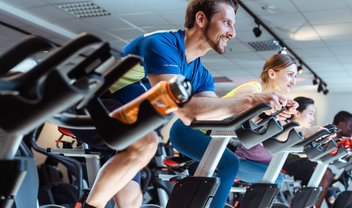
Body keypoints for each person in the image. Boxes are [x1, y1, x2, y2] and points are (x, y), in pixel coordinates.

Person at [82, 1, 298, 207]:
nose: (232, 33)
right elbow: (185, 108)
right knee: (147, 142)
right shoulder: (161, 44)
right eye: (227, 23)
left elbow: (203, 117)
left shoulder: (202, 75)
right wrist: (252, 99)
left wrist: (265, 111)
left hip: (129, 125)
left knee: (131, 200)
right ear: (201, 19)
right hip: (94, 107)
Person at [170, 53, 298, 207]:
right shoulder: (252, 88)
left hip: (209, 136)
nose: (293, 81)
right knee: (230, 163)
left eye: (295, 76)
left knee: (206, 186)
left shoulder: (266, 103)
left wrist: (277, 113)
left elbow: (251, 128)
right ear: (272, 73)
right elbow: (241, 112)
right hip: (188, 129)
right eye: (290, 75)